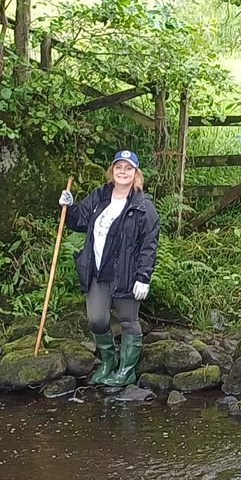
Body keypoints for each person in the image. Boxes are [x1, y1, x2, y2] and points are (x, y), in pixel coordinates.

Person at [60, 149, 161, 388]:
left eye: (128, 168)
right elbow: (79, 221)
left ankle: (126, 370)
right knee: (96, 320)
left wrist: (143, 277)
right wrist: (69, 207)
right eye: (119, 167)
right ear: (112, 171)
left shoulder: (144, 207)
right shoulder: (100, 196)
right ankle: (108, 362)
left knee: (128, 320)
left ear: (136, 173)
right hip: (98, 271)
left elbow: (149, 245)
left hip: (127, 273)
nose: (123, 172)